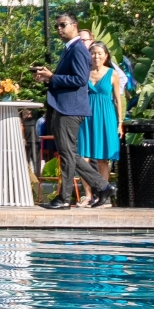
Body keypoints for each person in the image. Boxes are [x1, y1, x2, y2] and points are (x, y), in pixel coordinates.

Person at [34, 13, 113, 208]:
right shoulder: (69, 49)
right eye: (57, 26)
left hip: (70, 109)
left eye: (63, 25)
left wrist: (52, 77)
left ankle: (65, 198)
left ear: (74, 26)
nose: (59, 29)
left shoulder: (78, 49)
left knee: (68, 154)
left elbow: (79, 79)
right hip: (64, 107)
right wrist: (48, 77)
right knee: (69, 154)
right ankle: (103, 187)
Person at [85, 42, 128, 189]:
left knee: (103, 159)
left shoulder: (112, 73)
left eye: (99, 53)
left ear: (106, 56)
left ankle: (103, 193)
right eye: (93, 53)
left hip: (105, 115)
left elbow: (117, 99)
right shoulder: (84, 72)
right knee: (84, 158)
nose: (96, 56)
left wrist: (119, 122)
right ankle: (88, 195)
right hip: (87, 115)